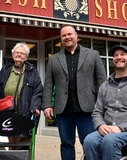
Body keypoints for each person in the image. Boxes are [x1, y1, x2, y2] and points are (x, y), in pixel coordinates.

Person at [42, 25, 106, 160]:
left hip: (87, 109)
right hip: (63, 110)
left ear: (76, 36)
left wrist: (102, 105)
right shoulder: (54, 59)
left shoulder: (93, 55)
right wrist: (47, 105)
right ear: (61, 38)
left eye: (70, 34)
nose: (67, 37)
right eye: (64, 35)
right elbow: (48, 84)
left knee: (89, 143)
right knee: (66, 143)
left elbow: (101, 81)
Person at [83, 45, 127, 160]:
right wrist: (100, 125)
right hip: (108, 129)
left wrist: (121, 128)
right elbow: (97, 112)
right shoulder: (105, 86)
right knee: (89, 140)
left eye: (123, 54)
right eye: (115, 55)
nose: (118, 57)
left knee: (110, 141)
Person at [0, 42, 43, 148]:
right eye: (17, 52)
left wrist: (35, 107)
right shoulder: (5, 70)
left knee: (24, 146)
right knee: (9, 145)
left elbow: (37, 92)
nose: (19, 55)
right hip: (7, 116)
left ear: (26, 57)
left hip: (25, 115)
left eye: (22, 53)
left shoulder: (32, 71)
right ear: (13, 54)